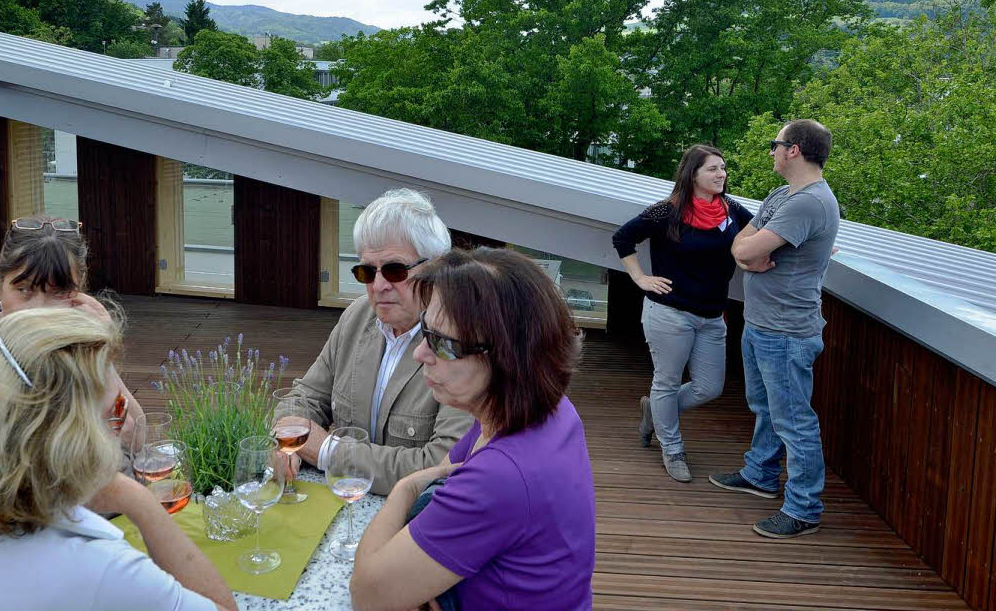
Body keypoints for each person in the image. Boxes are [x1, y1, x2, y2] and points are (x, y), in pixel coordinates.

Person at [350, 248, 595, 611]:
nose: (419, 354)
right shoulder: (544, 411)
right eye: (424, 332)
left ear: (507, 358)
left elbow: (368, 595)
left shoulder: (502, 474)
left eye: (441, 343)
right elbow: (449, 474)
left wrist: (403, 488)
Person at [0, 307, 237, 611]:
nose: (125, 424)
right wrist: (139, 500)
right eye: (117, 409)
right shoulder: (99, 568)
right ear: (75, 436)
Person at [281, 189, 472, 494]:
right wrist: (283, 438)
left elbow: (441, 466)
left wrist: (327, 451)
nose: (379, 285)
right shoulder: (358, 316)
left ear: (436, 268)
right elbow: (305, 397)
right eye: (367, 271)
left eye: (395, 270)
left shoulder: (463, 341)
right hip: (345, 504)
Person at [709, 119, 840, 539]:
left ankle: (803, 509)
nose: (772, 151)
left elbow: (746, 247)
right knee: (766, 408)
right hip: (764, 324)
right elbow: (739, 244)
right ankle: (761, 474)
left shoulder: (810, 203)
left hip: (786, 331)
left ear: (795, 150)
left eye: (775, 144)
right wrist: (747, 255)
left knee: (794, 421)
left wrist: (747, 253)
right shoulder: (783, 195)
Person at [612, 145, 753, 483]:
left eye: (722, 168)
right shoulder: (667, 212)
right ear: (692, 174)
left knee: (709, 387)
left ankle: (654, 411)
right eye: (712, 169)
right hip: (669, 313)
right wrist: (640, 277)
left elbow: (763, 232)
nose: (721, 174)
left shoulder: (731, 210)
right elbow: (623, 238)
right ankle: (672, 449)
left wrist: (808, 243)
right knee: (667, 380)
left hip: (713, 316)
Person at [0, 216, 143, 439]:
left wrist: (102, 353)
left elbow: (132, 432)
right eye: (24, 290)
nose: (39, 309)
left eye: (58, 293)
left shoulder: (75, 338)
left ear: (80, 287)